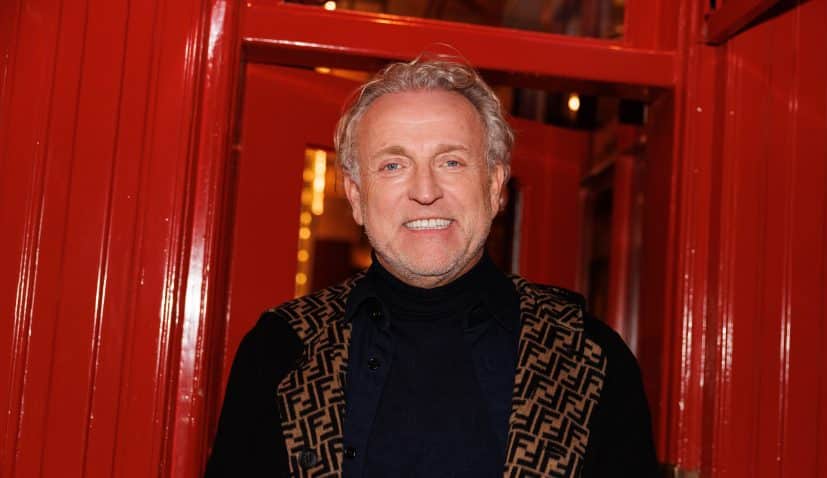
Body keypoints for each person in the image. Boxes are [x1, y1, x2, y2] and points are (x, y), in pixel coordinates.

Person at [205, 56, 658, 478]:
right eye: (393, 165)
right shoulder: (281, 351)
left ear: (495, 186)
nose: (425, 191)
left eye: (451, 162)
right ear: (357, 197)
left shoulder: (588, 356)